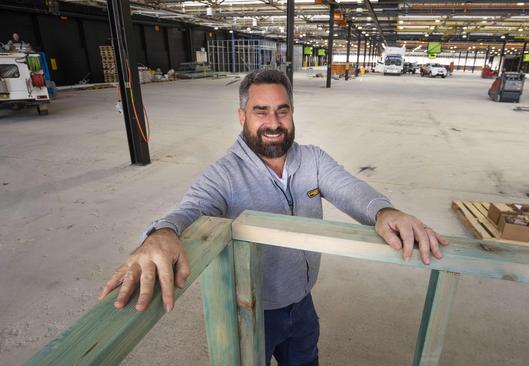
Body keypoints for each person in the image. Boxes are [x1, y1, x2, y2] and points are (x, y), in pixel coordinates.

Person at [98, 69, 448, 366]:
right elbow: (192, 207)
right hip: (251, 310)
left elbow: (349, 187)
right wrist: (162, 233)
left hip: (303, 303)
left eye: (282, 111)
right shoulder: (224, 175)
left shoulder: (312, 159)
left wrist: (384, 210)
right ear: (242, 116)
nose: (273, 123)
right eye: (260, 111)